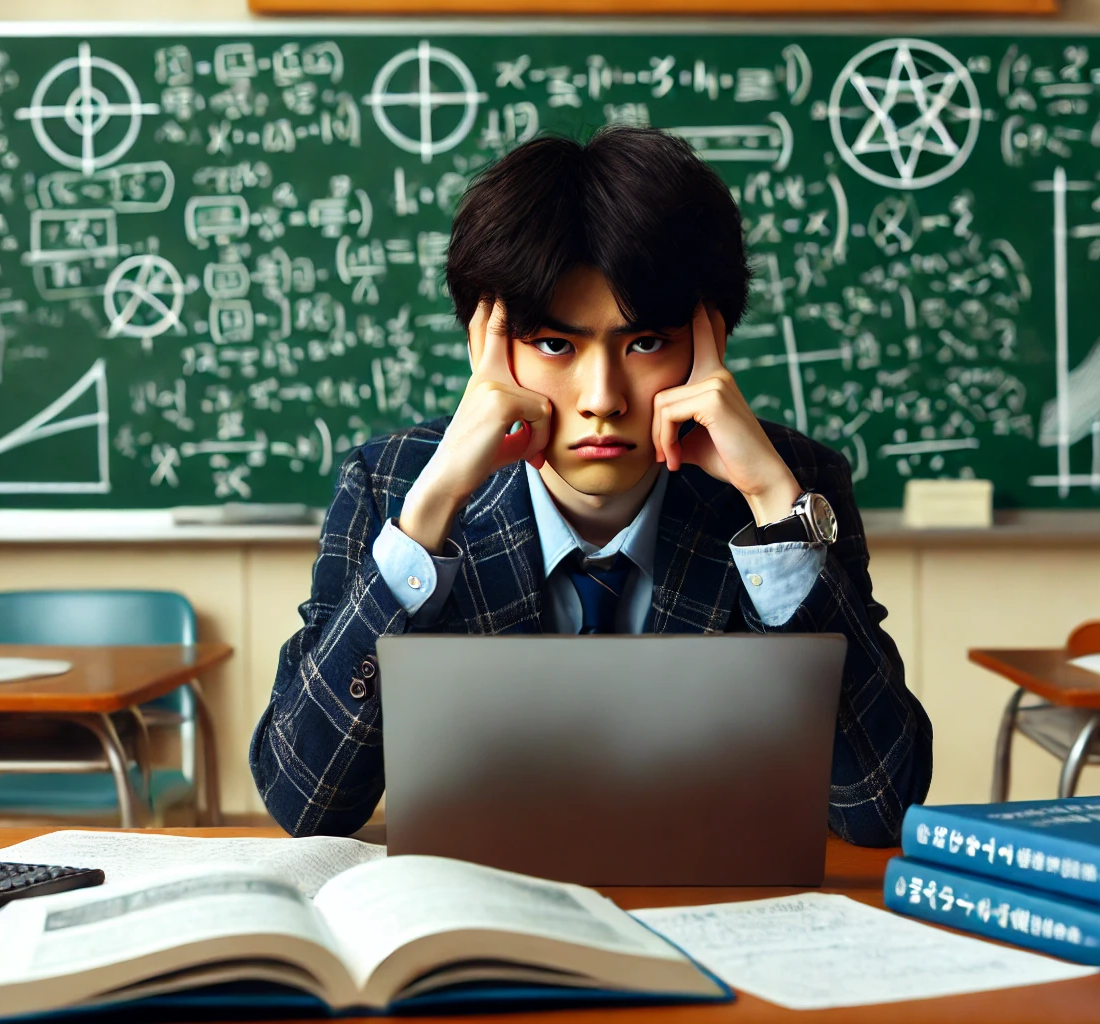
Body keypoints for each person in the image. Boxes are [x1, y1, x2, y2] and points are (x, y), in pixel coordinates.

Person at [251, 126, 932, 846]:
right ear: (487, 347)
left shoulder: (798, 485)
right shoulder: (390, 483)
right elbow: (305, 801)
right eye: (555, 345)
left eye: (644, 344)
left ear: (711, 341)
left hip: (715, 915)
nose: (602, 397)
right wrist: (430, 510)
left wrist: (770, 501)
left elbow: (878, 808)